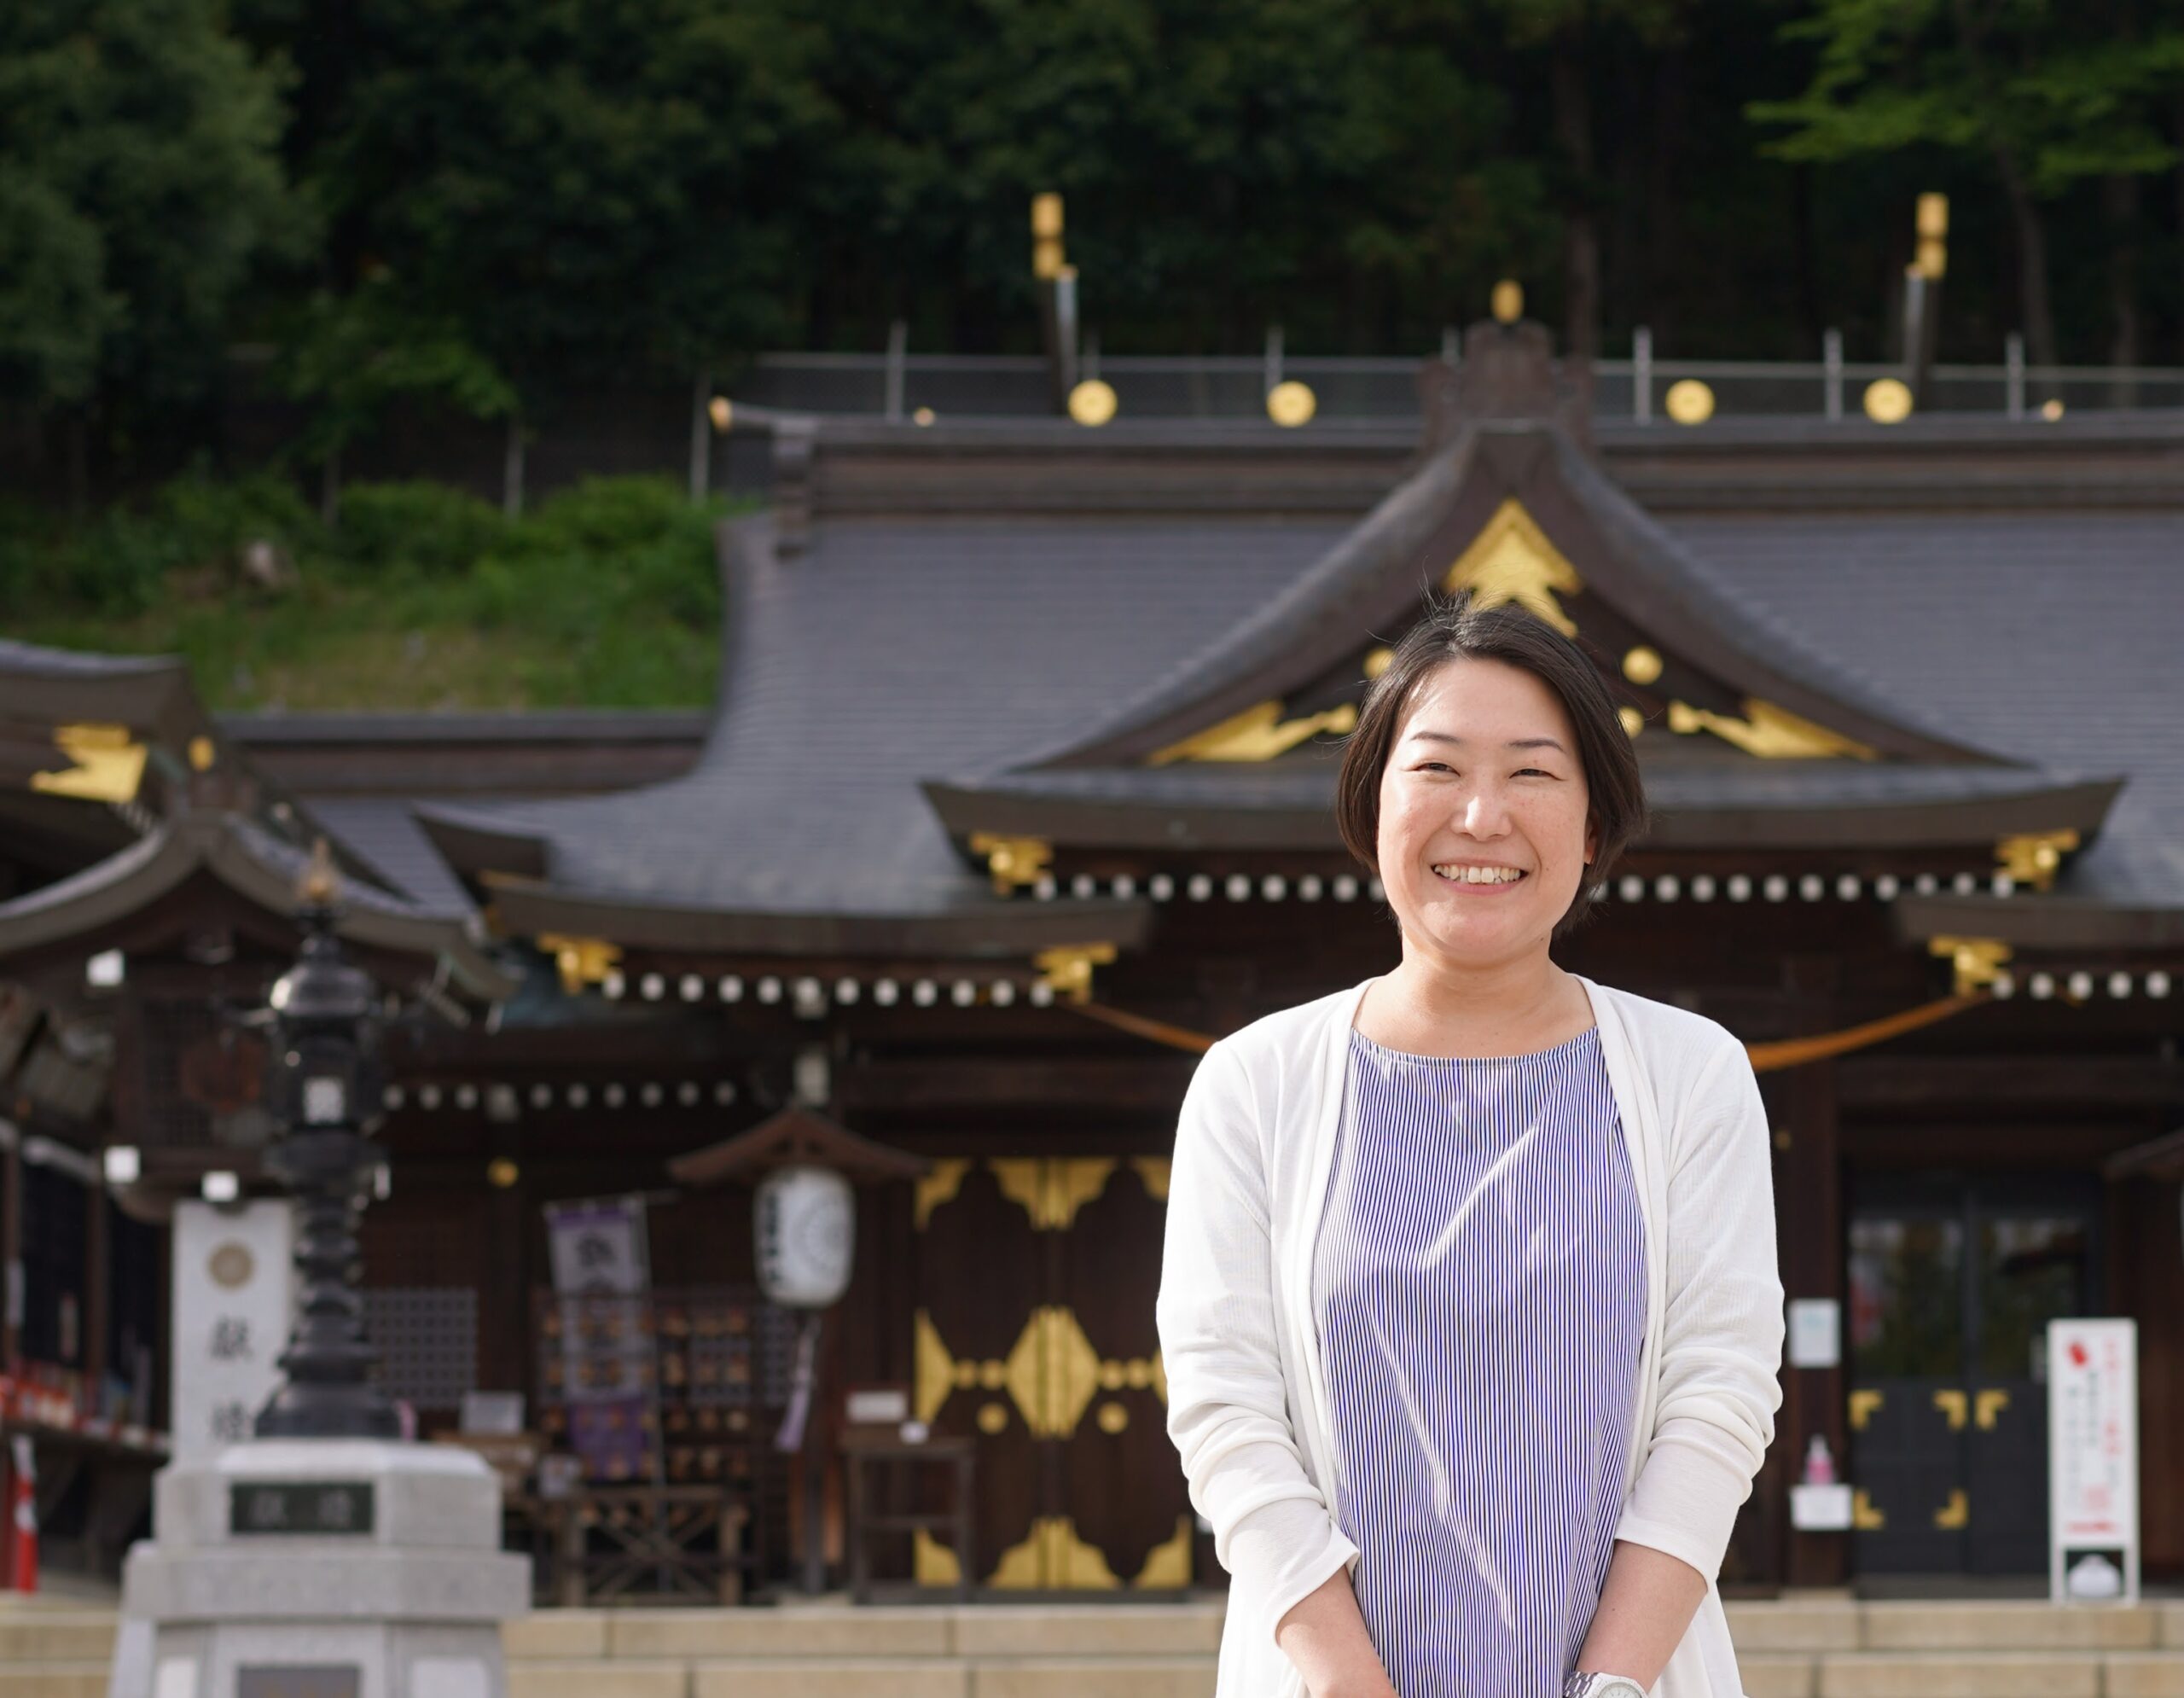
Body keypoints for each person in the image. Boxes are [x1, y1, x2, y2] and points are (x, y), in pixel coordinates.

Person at [1157, 594, 1784, 1698]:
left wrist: (1612, 1688)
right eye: (1438, 768)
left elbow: (1718, 1397)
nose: (1483, 815)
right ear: (1373, 806)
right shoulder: (1253, 1086)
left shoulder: (1693, 1077)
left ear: (1592, 827)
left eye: (1533, 773)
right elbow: (1227, 1411)